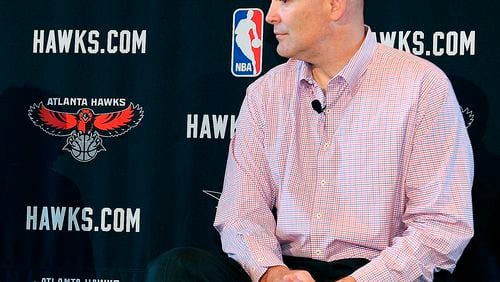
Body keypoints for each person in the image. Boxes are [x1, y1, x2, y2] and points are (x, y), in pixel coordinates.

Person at [145, 0, 473, 281]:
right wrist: (272, 272)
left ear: (334, 5)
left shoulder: (421, 86)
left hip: (374, 271)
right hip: (287, 271)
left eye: (285, 1)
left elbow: (440, 226)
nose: (270, 14)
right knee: (178, 269)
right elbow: (241, 213)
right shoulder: (265, 93)